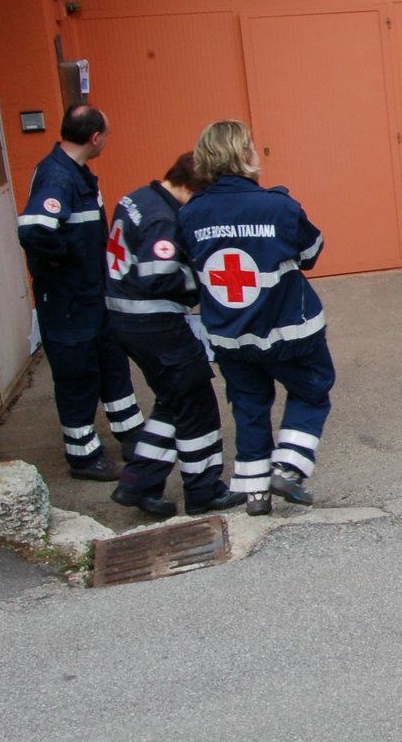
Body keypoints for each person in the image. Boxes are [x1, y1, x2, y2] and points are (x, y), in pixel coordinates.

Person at [179, 121, 333, 517]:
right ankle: (289, 467)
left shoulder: (190, 214)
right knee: (312, 389)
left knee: (248, 405)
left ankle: (255, 493)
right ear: (245, 155)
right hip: (289, 331)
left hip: (231, 337)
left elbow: (188, 267)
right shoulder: (278, 206)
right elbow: (312, 250)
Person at [105, 153, 244, 518]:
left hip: (126, 319)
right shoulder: (162, 220)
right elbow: (159, 275)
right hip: (156, 325)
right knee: (196, 403)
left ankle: (139, 483)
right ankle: (204, 489)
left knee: (173, 400)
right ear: (191, 188)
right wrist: (203, 280)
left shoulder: (137, 198)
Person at [16, 104, 142, 481]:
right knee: (77, 374)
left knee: (111, 362)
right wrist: (64, 262)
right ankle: (84, 456)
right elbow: (35, 231)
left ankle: (131, 434)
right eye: (107, 134)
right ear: (95, 138)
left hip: (92, 293)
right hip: (69, 299)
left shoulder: (75, 173)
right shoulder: (58, 178)